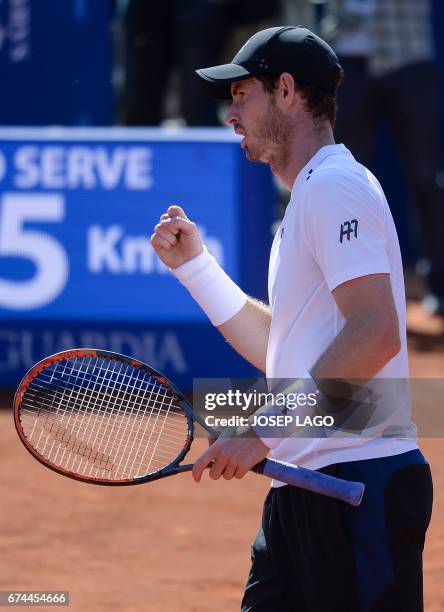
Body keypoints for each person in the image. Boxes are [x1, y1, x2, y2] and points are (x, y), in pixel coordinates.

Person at [151, 26, 433, 611]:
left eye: (242, 94)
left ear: (285, 90)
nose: (232, 114)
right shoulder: (311, 195)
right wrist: (196, 269)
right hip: (304, 491)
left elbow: (375, 333)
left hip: (358, 487)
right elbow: (288, 351)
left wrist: (261, 431)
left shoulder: (334, 186)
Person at [321, 0, 444, 317]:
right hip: (345, 61)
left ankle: (440, 285)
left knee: (425, 177)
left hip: (407, 53)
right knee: (347, 182)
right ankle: (352, 289)